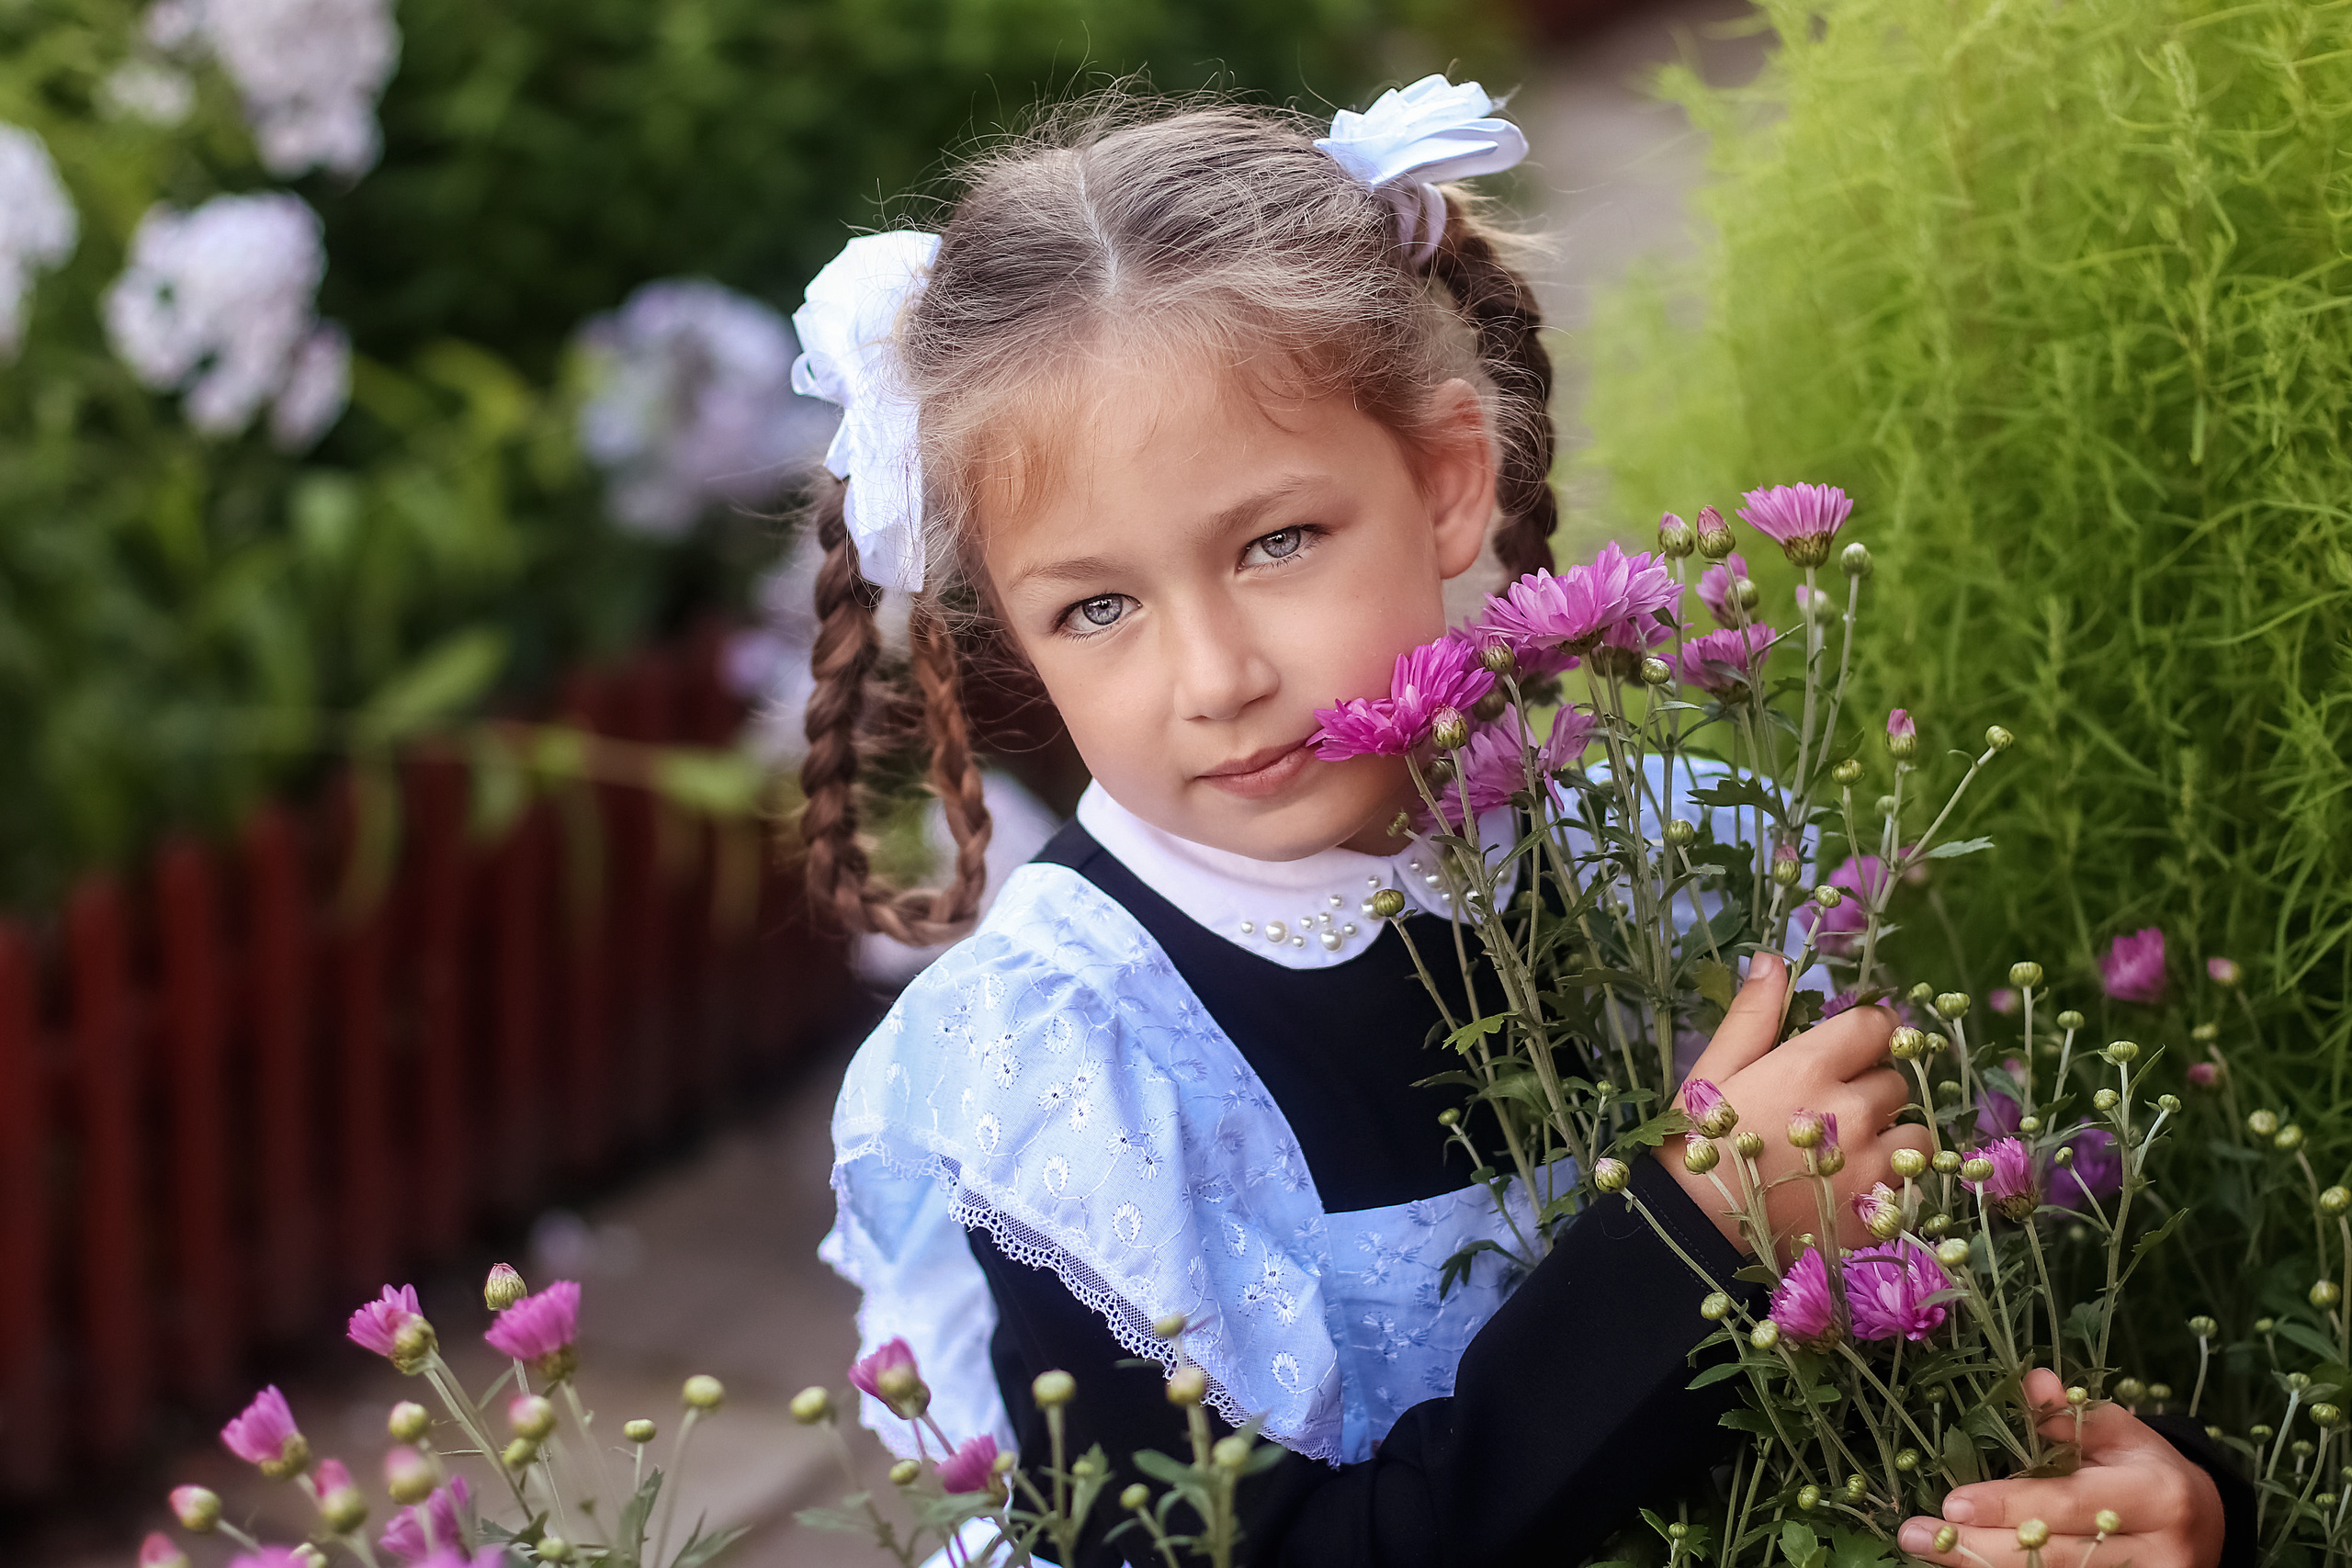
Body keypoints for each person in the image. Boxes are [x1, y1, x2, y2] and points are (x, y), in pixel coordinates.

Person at [803, 80, 2244, 1568]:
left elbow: (1940, 1352)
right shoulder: (1059, 1068)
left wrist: (2162, 1494)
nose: (1216, 677)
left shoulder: (1688, 859)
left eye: (1277, 541)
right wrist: (1700, 1244)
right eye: (1097, 607)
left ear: (1446, 481)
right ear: (1015, 639)